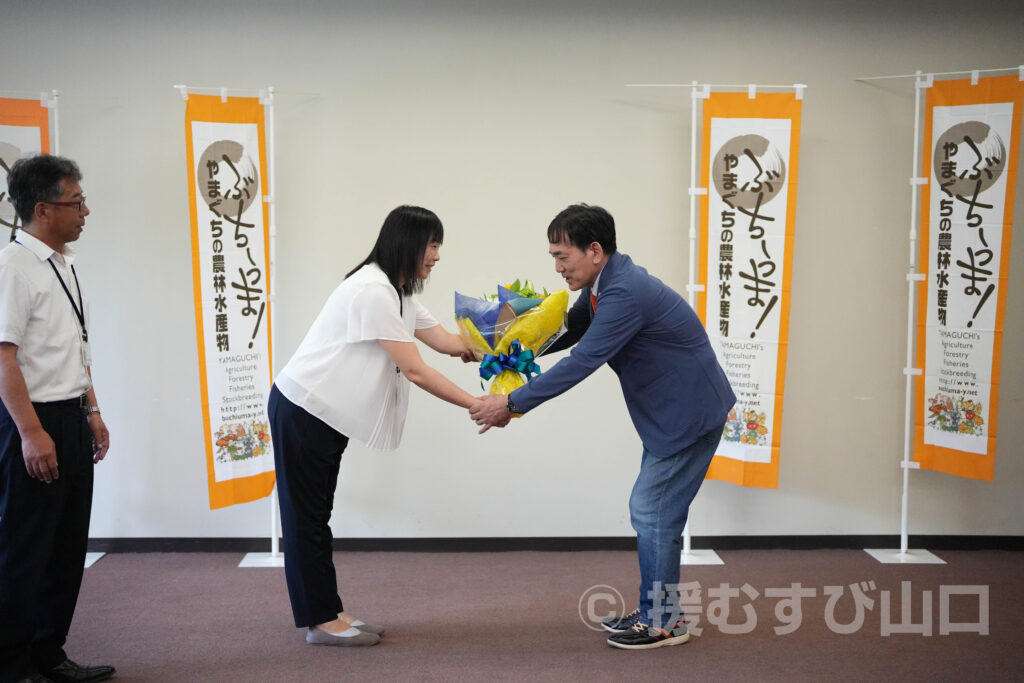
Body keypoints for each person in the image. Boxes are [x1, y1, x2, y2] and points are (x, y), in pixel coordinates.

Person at [470, 203, 735, 650]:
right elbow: (570, 331)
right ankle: (658, 610)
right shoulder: (606, 285)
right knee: (657, 512)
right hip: (672, 414)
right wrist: (496, 348)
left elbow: (584, 359)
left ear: (594, 250)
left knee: (651, 510)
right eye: (553, 256)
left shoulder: (624, 293)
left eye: (562, 256)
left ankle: (663, 622)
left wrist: (510, 404)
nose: (556, 267)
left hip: (687, 415)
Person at [268, 205, 478, 647]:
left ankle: (329, 609)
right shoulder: (372, 291)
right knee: (306, 518)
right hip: (304, 407)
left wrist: (509, 339)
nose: (437, 256)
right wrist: (476, 404)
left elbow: (448, 343)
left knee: (317, 515)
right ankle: (320, 621)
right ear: (407, 243)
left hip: (324, 414)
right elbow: (417, 371)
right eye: (432, 244)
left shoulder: (399, 293)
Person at [0, 156, 114, 683]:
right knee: (25, 546)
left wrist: (92, 410)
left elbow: (76, 348)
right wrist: (30, 432)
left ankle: (49, 654)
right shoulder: (13, 267)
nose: (85, 211)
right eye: (76, 202)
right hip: (32, 421)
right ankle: (13, 663)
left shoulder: (64, 265)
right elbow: (4, 359)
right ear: (42, 208)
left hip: (69, 416)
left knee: (68, 544)